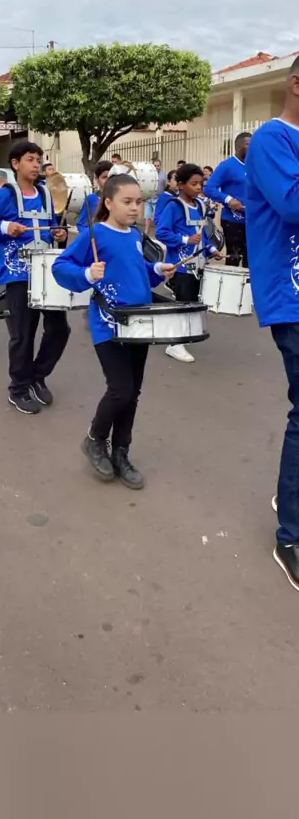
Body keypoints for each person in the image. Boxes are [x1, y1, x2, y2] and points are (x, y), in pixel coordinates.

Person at [52, 174, 174, 487]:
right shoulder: (95, 235)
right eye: (127, 201)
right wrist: (87, 273)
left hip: (140, 323)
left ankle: (121, 452)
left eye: (139, 202)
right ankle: (95, 439)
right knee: (120, 389)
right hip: (108, 324)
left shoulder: (134, 235)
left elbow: (136, 271)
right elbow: (61, 267)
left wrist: (156, 269)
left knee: (133, 392)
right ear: (108, 202)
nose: (135, 208)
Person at [246, 56, 299, 590]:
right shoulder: (272, 139)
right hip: (292, 297)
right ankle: (291, 536)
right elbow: (293, 204)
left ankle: (291, 497)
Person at [0, 139, 69, 414]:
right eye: (30, 159)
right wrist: (5, 227)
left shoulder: (46, 194)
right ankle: (18, 389)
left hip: (46, 274)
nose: (36, 165)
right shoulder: (6, 194)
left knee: (59, 329)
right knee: (23, 334)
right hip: (17, 275)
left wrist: (58, 234)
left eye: (38, 160)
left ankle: (37, 376)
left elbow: (50, 228)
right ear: (15, 164)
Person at [156, 163, 223, 363]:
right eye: (193, 184)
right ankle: (174, 344)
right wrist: (185, 240)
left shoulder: (200, 205)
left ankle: (181, 336)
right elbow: (162, 233)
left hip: (198, 263)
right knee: (183, 303)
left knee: (192, 301)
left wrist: (211, 249)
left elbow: (202, 234)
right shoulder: (174, 206)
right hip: (181, 264)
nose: (198, 187)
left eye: (200, 183)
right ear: (181, 185)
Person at [204, 133, 251, 267]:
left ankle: (249, 281)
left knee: (251, 258)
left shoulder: (255, 166)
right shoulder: (227, 166)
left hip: (252, 220)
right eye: (248, 144)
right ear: (238, 147)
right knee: (234, 258)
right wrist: (229, 200)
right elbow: (209, 188)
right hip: (232, 221)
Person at [77, 161, 112, 232]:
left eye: (110, 177)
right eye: (104, 177)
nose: (108, 180)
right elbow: (81, 225)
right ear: (96, 179)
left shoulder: (118, 199)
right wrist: (90, 235)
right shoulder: (91, 199)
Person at [144, 157, 169, 235]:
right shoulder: (149, 174)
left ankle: (159, 233)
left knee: (157, 218)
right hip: (149, 198)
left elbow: (167, 186)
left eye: (158, 165)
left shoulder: (164, 175)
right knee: (147, 216)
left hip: (159, 199)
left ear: (160, 166)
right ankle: (146, 233)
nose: (156, 167)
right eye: (155, 165)